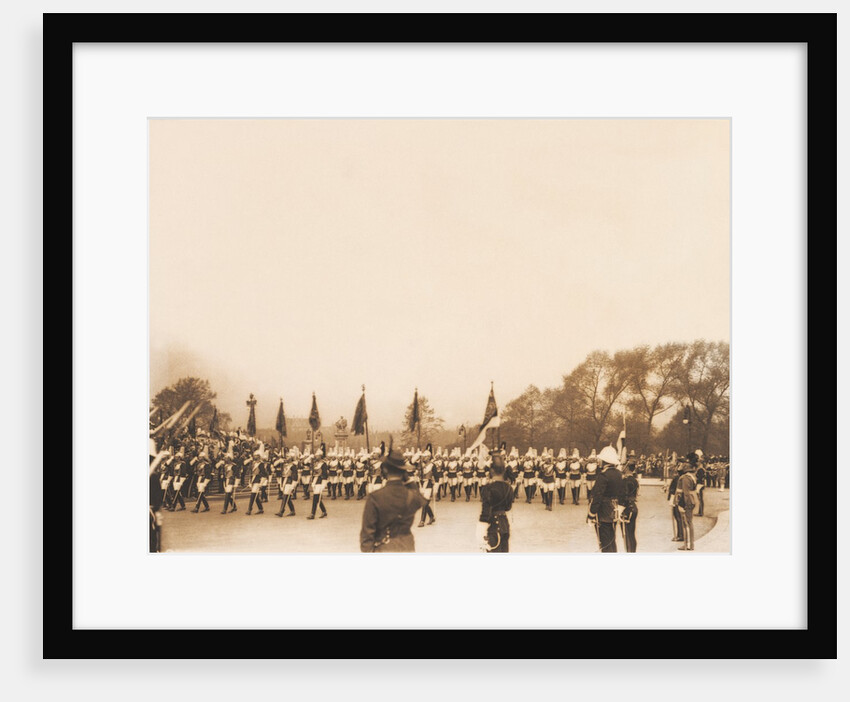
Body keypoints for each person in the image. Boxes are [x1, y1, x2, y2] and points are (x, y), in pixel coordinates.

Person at [360, 446, 428, 552]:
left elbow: (367, 533)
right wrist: (408, 480)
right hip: (407, 547)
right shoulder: (411, 496)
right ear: (403, 471)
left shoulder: (375, 497)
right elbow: (421, 499)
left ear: (385, 469)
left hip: (384, 547)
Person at [588, 446, 625, 552]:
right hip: (615, 509)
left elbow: (597, 496)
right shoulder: (619, 474)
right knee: (611, 539)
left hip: (603, 511)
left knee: (604, 541)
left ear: (605, 461)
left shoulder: (603, 475)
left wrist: (591, 514)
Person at [476, 453, 514, 552]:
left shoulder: (488, 488)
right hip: (504, 524)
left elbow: (485, 513)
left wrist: (481, 533)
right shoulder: (509, 487)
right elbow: (508, 507)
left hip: (493, 526)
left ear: (491, 471)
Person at [676, 454, 698, 550]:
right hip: (691, 500)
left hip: (686, 502)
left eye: (685, 463)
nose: (682, 465)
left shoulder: (685, 478)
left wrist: (683, 505)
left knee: (686, 524)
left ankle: (687, 545)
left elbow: (685, 493)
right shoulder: (692, 476)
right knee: (689, 523)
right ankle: (690, 544)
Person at [621, 459, 639, 552]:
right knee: (631, 534)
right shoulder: (634, 480)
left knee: (627, 534)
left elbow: (624, 495)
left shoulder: (625, 480)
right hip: (633, 507)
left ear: (627, 467)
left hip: (627, 508)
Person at [308, 446, 329, 519]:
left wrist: (324, 484)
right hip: (315, 481)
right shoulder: (315, 463)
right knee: (317, 498)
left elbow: (325, 475)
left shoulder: (323, 464)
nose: (316, 456)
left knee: (315, 497)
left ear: (320, 456)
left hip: (320, 481)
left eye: (317, 455)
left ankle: (312, 514)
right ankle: (324, 511)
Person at [191, 446, 212, 513]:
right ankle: (207, 506)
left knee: (200, 493)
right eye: (199, 457)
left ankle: (197, 507)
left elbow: (208, 474)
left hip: (204, 478)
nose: (199, 458)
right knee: (201, 493)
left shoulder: (206, 464)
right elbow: (195, 471)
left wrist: (206, 482)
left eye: (200, 457)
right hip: (199, 478)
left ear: (203, 458)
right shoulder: (198, 464)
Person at [667, 463, 684, 542]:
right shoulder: (681, 478)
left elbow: (673, 489)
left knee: (678, 517)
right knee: (678, 517)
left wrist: (670, 493)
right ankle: (680, 534)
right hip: (678, 498)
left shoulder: (678, 478)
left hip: (675, 498)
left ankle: (680, 535)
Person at [417, 461, 436, 527]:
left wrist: (435, 484)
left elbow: (436, 476)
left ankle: (422, 521)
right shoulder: (419, 464)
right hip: (421, 485)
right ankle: (431, 516)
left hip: (429, 485)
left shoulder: (432, 465)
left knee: (424, 503)